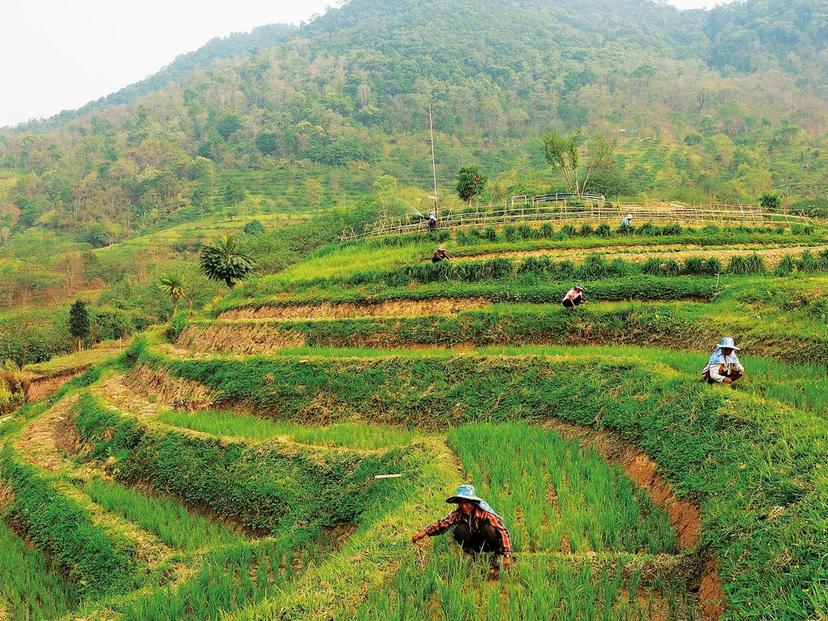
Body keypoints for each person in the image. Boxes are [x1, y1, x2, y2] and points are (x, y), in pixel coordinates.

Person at [412, 484, 512, 568]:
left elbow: (503, 532)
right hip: (475, 543)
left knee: (489, 529)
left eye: (467, 503)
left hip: (489, 542)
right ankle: (470, 554)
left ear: (473, 503)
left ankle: (498, 554)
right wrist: (425, 532)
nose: (463, 506)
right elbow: (442, 523)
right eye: (461, 503)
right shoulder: (458, 514)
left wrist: (507, 555)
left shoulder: (486, 514)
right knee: (459, 529)